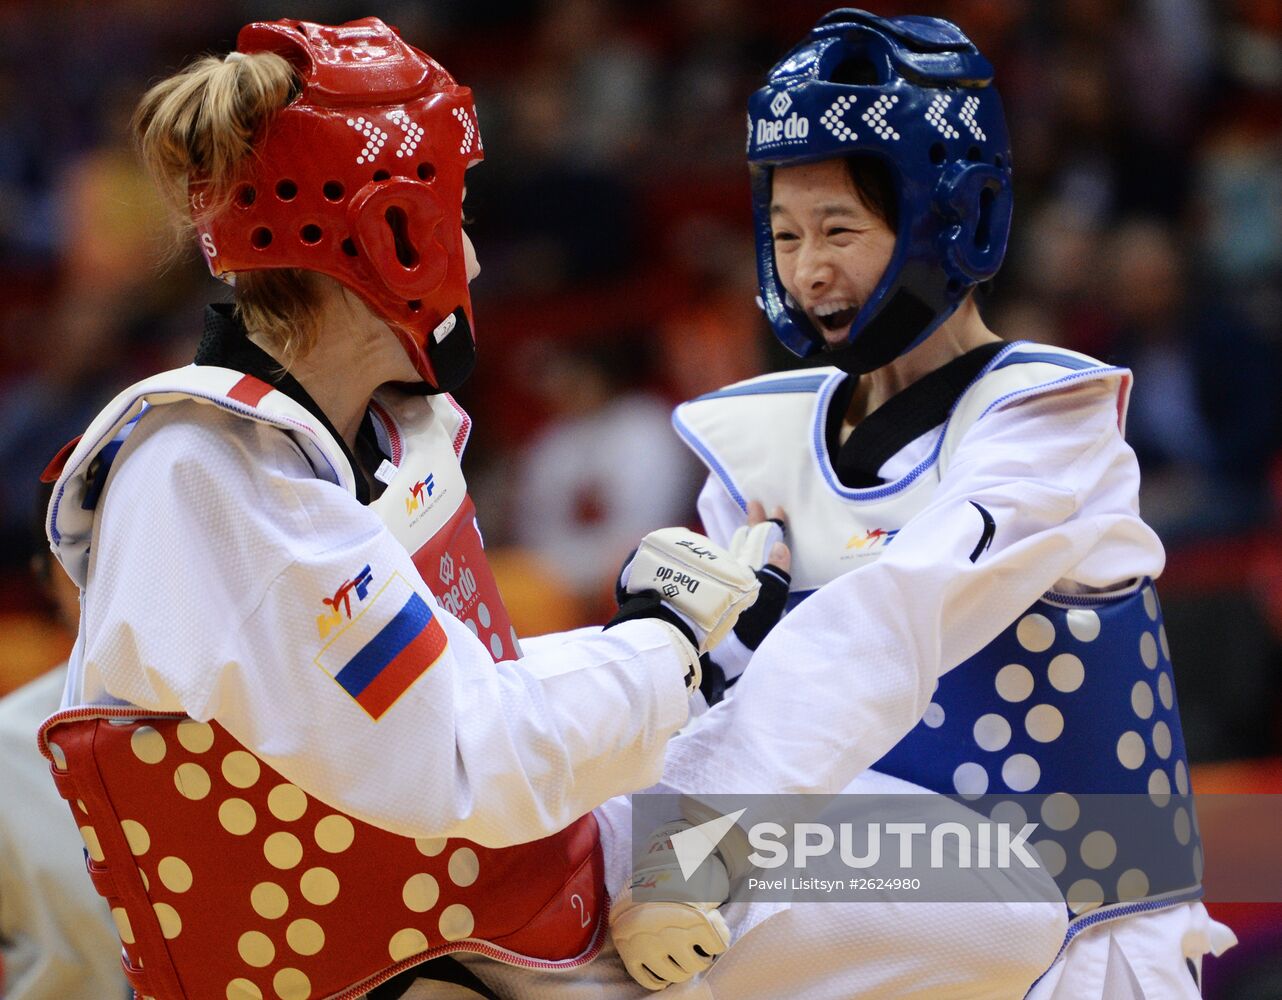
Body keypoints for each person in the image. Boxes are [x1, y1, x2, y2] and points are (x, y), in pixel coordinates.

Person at [38, 18, 765, 1000]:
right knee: (961, 895)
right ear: (393, 233)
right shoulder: (207, 477)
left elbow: (469, 690)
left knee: (939, 858)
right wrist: (660, 637)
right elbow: (465, 756)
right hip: (393, 960)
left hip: (482, 911)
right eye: (453, 215)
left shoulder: (381, 437)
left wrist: (659, 655)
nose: (469, 257)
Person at [616, 8, 1236, 997]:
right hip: (888, 896)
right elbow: (735, 697)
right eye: (782, 233)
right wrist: (662, 642)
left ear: (950, 218)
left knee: (649, 881)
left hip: (1070, 911)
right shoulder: (759, 444)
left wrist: (687, 846)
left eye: (838, 229)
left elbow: (892, 615)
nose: (807, 266)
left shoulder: (1048, 419)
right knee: (580, 854)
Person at [0, 488, 128, 1000]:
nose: (121, 580)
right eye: (88, 554)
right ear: (44, 582)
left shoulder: (267, 721)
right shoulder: (5, 751)